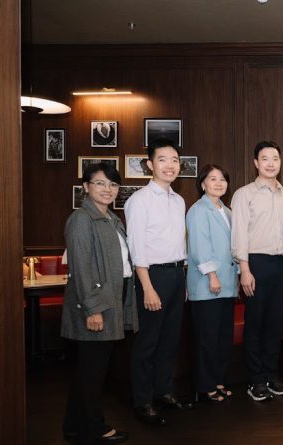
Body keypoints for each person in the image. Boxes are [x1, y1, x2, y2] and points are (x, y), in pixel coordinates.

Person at [62, 163, 137, 445]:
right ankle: (94, 428)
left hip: (113, 301)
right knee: (93, 372)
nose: (108, 189)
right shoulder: (81, 219)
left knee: (88, 369)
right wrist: (93, 309)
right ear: (86, 187)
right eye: (100, 183)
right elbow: (81, 269)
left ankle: (74, 426)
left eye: (113, 184)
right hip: (95, 306)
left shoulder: (112, 218)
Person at [125, 138, 192, 427]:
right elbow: (136, 248)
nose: (170, 165)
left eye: (175, 160)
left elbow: (179, 244)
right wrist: (148, 287)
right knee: (148, 342)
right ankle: (142, 402)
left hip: (177, 274)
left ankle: (163, 391)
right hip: (152, 276)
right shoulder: (139, 200)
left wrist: (183, 279)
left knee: (170, 339)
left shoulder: (179, 200)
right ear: (150, 164)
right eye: (162, 159)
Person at [231, 141, 283, 402]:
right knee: (255, 324)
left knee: (275, 325)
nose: (271, 163)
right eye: (265, 158)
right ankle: (255, 380)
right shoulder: (244, 194)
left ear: (280, 162)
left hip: (282, 266)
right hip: (255, 265)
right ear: (256, 163)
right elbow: (239, 233)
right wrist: (244, 269)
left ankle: (272, 376)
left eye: (275, 158)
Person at [186, 164, 238, 404]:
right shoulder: (198, 210)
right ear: (202, 184)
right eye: (212, 179)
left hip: (227, 284)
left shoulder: (226, 211)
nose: (218, 183)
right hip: (208, 284)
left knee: (222, 338)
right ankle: (205, 386)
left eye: (222, 179)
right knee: (207, 339)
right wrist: (212, 275)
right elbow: (199, 246)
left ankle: (218, 381)